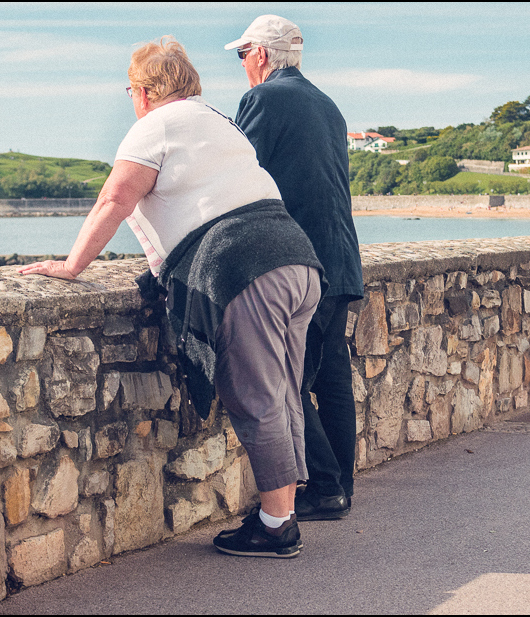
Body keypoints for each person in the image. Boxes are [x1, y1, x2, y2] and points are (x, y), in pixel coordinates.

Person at [18, 36, 326, 558]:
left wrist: (72, 266)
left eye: (130, 90)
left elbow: (116, 197)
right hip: (296, 259)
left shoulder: (154, 126)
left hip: (244, 267)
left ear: (142, 91)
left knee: (258, 398)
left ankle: (277, 527)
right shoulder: (219, 122)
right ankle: (283, 510)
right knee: (285, 393)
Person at [224, 15, 364, 520]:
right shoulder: (328, 105)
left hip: (300, 260)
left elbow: (239, 173)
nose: (242, 65)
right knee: (331, 381)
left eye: (242, 55)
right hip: (342, 258)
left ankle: (325, 489)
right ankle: (339, 487)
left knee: (287, 380)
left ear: (260, 55)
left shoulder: (265, 99)